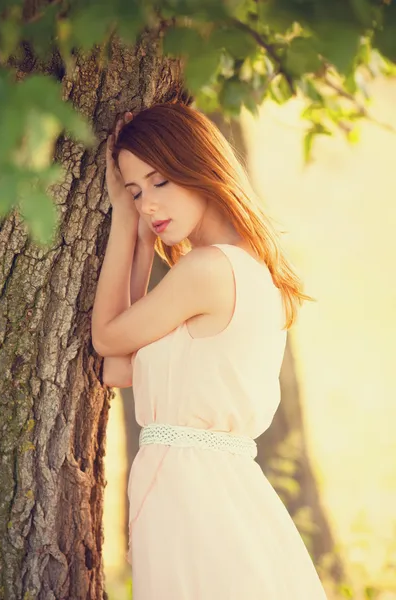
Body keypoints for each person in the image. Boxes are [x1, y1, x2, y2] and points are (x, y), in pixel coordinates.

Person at [91, 100, 328, 599]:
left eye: (159, 182)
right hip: (202, 488)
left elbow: (107, 338)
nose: (147, 205)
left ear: (198, 169)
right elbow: (119, 368)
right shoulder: (238, 266)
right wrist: (138, 244)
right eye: (133, 193)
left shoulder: (208, 271)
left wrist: (119, 221)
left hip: (195, 497)